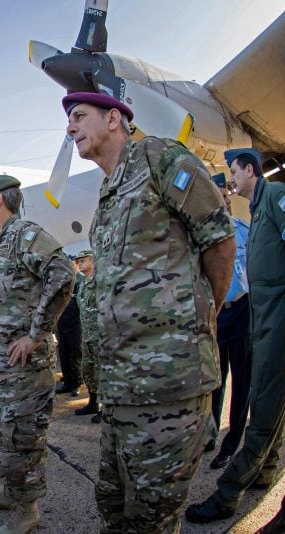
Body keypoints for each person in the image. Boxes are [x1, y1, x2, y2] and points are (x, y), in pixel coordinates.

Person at [63, 91, 235, 532]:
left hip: (169, 382)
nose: (71, 127)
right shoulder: (109, 194)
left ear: (115, 119)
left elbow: (218, 239)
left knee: (152, 517)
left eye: (80, 116)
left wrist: (200, 321)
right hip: (123, 388)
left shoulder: (158, 159)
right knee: (113, 505)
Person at [0, 175, 74, 532]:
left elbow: (63, 272)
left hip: (23, 367)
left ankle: (28, 511)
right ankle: (10, 492)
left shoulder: (25, 234)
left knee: (21, 439)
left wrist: (36, 334)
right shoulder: (0, 243)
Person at [186, 148, 285, 524]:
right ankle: (267, 470)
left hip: (276, 319)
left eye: (233, 172)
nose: (231, 181)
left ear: (249, 169)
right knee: (273, 402)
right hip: (265, 318)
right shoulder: (258, 211)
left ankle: (228, 495)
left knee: (261, 403)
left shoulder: (274, 196)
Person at [204, 173, 251, 469]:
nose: (223, 202)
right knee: (215, 380)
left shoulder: (245, 231)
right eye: (216, 199)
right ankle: (209, 434)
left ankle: (231, 442)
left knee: (242, 381)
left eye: (225, 196)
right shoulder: (204, 241)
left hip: (244, 311)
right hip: (218, 316)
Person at [73, 250, 101, 423]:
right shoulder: (82, 283)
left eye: (83, 261)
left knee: (102, 371)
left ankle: (107, 409)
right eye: (78, 262)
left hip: (99, 335)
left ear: (92, 260)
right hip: (87, 335)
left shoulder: (100, 282)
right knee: (88, 370)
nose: (80, 264)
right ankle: (93, 403)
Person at [55, 259, 83, 396]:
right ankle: (67, 383)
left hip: (76, 324)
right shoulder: (62, 281)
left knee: (75, 355)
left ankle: (76, 384)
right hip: (62, 324)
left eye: (72, 263)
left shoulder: (81, 282)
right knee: (64, 354)